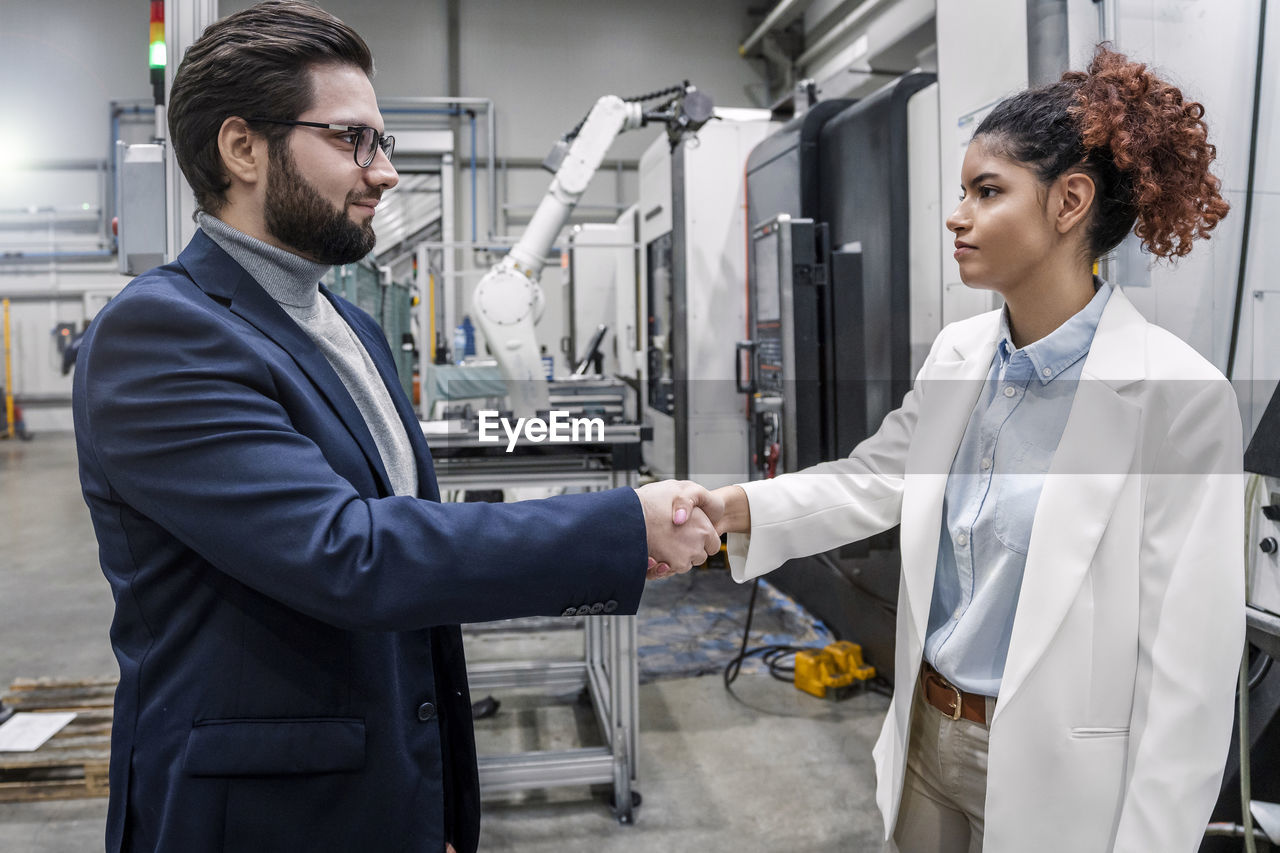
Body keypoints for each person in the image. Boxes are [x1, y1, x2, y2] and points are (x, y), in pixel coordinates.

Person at [71, 3, 718, 851]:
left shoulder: (349, 326)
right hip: (261, 815)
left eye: (384, 144)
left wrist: (432, 798)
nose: (383, 174)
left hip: (383, 788)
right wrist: (616, 521)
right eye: (353, 140)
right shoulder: (160, 334)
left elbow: (411, 580)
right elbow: (351, 555)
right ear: (242, 149)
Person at [699, 46, 1243, 852]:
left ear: (1070, 202)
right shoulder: (960, 355)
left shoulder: (1177, 397)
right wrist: (731, 508)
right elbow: (874, 480)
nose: (957, 215)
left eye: (987, 191)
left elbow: (1189, 674)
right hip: (928, 740)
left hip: (1063, 778)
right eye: (963, 191)